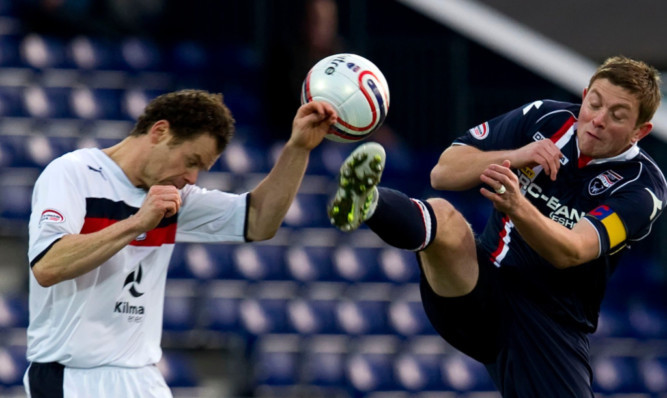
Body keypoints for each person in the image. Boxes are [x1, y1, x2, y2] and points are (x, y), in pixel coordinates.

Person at [328, 56, 666, 396]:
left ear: (640, 131)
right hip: (481, 289)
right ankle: (368, 202)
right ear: (585, 95)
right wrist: (515, 156)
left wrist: (519, 206)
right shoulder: (545, 117)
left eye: (617, 116)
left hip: (550, 322)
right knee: (444, 217)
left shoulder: (643, 187)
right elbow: (443, 172)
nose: (598, 120)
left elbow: (573, 251)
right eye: (593, 103)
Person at [24, 89, 337, 397]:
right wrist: (137, 224)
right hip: (71, 377)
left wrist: (298, 148)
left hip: (142, 378)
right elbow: (48, 266)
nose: (192, 178)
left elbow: (259, 221)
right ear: (160, 131)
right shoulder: (73, 173)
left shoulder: (173, 196)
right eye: (191, 160)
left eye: (200, 169)